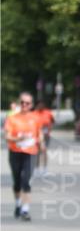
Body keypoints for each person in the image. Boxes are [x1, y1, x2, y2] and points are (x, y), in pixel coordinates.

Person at [4, 92, 42, 221]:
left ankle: (25, 209)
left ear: (31, 105)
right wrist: (18, 138)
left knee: (26, 181)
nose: (25, 105)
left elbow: (39, 133)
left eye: (27, 103)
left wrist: (41, 143)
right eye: (22, 102)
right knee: (17, 182)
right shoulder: (12, 118)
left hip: (30, 153)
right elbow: (7, 136)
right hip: (15, 152)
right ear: (19, 103)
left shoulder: (35, 118)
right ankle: (18, 203)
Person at [34, 100, 55, 174]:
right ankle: (36, 168)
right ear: (37, 106)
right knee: (37, 152)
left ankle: (45, 168)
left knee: (44, 151)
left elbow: (53, 121)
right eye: (39, 105)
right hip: (37, 135)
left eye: (42, 105)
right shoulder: (34, 113)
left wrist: (49, 127)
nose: (41, 106)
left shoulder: (48, 113)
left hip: (46, 135)